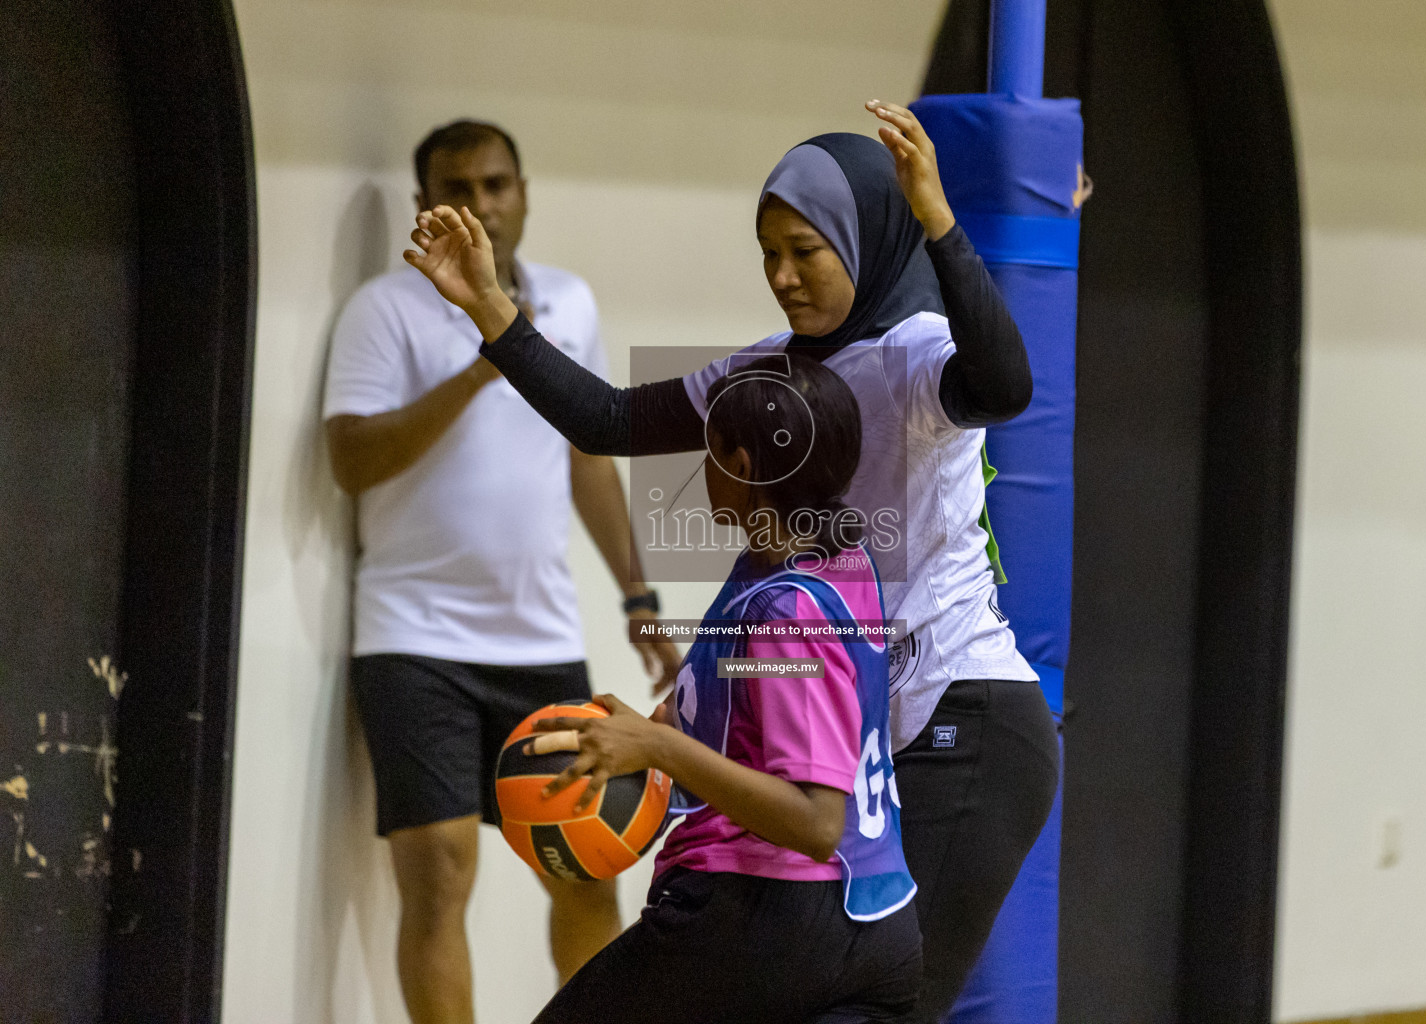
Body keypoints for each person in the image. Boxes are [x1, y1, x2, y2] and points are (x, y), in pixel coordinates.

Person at [404, 100, 1060, 1024]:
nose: (782, 276)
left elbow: (1006, 386)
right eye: (768, 254)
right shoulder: (767, 380)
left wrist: (941, 221)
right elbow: (610, 420)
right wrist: (489, 305)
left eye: (806, 251)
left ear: (863, 241)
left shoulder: (917, 358)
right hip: (861, 722)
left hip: (965, 722)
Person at [323, 119, 679, 1023]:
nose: (480, 204)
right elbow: (353, 460)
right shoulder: (385, 310)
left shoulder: (572, 304)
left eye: (496, 185)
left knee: (586, 861)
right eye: (458, 188)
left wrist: (637, 594)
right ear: (423, 205)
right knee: (441, 869)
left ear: (523, 193)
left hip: (540, 638)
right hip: (413, 636)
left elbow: (588, 458)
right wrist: (490, 361)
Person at [525, 355, 921, 1023]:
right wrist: (674, 723)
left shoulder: (786, 611)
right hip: (875, 925)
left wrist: (657, 747)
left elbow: (816, 820)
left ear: (740, 465)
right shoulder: (834, 559)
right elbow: (770, 698)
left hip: (774, 913)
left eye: (706, 449)